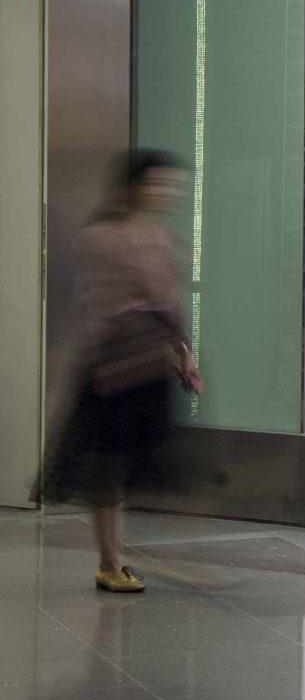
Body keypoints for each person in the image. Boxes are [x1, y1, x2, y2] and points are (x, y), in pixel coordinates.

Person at [45, 151, 198, 594]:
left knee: (137, 464)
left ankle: (116, 560)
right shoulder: (105, 237)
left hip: (147, 364)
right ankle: (109, 562)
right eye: (157, 183)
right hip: (114, 368)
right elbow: (108, 303)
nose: (165, 192)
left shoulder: (156, 235)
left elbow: (168, 303)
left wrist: (183, 350)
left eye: (168, 185)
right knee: (108, 467)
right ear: (134, 185)